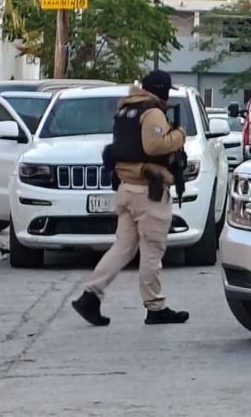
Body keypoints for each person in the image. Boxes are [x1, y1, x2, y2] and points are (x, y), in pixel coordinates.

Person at [72, 71, 190, 326]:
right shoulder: (152, 112)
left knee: (123, 248)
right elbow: (154, 146)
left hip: (127, 188)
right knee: (152, 250)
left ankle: (90, 296)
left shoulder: (127, 110)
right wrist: (179, 135)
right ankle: (155, 307)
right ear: (162, 90)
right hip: (149, 192)